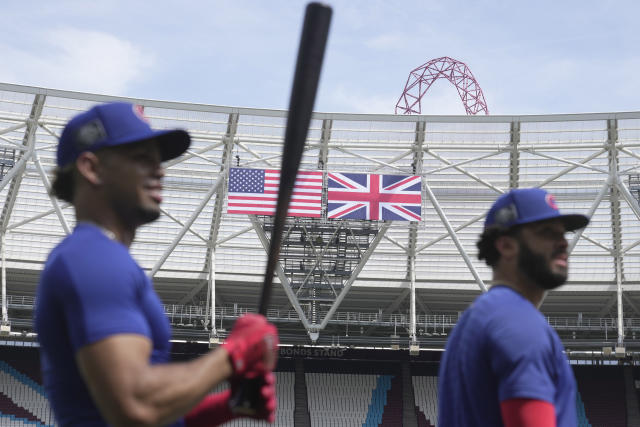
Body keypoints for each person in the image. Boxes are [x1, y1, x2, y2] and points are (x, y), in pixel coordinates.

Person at [35, 102, 279, 427]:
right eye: (142, 159)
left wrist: (227, 407)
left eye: (159, 160)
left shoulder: (98, 257)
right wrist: (234, 353)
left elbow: (132, 413)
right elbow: (136, 406)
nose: (161, 170)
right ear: (91, 168)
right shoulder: (93, 259)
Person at [437, 188, 589, 427]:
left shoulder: (480, 317)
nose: (563, 243)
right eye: (547, 233)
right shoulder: (518, 321)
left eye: (564, 234)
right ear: (506, 246)